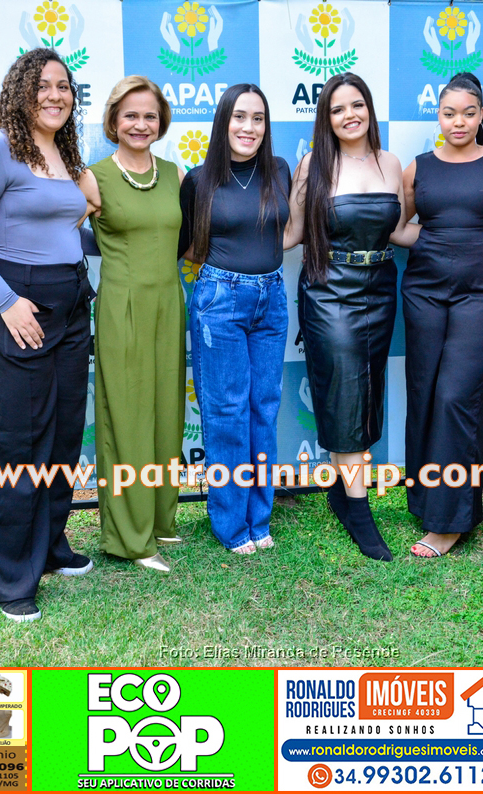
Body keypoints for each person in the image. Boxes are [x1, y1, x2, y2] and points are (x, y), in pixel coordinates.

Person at [0, 48, 95, 622]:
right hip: (16, 308)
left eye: (64, 86)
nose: (56, 95)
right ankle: (10, 576)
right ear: (21, 90)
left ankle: (50, 547)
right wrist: (7, 302)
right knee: (15, 445)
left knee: (60, 439)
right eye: (43, 85)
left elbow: (64, 223)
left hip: (69, 307)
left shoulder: (64, 152)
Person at [286, 72, 417, 562]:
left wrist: (463, 236)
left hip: (380, 290)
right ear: (327, 118)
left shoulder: (391, 163)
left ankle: (343, 495)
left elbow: (398, 231)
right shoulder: (312, 166)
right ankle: (360, 512)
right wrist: (224, 237)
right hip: (329, 293)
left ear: (369, 109)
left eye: (356, 105)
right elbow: (292, 233)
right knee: (344, 392)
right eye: (338, 109)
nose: (349, 115)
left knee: (367, 392)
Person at [401, 73, 483, 558]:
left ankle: (448, 523)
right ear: (438, 115)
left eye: (469, 113)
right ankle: (427, 501)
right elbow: (398, 226)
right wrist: (433, 240)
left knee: (456, 395)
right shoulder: (418, 169)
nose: (459, 122)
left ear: (481, 115)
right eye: (449, 113)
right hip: (425, 295)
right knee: (426, 395)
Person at [177, 84, 292, 554]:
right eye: (239, 117)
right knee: (226, 412)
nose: (249, 127)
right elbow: (185, 245)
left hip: (273, 299)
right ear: (223, 122)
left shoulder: (279, 171)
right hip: (220, 301)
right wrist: (225, 272)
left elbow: (283, 229)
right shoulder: (198, 180)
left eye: (258, 119)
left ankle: (259, 519)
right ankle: (230, 523)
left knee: (264, 407)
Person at [79, 76, 186, 573]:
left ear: (161, 122)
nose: (141, 124)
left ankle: (160, 518)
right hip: (122, 308)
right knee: (127, 418)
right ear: (113, 122)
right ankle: (130, 537)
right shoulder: (93, 177)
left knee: (165, 413)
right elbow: (56, 229)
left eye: (150, 116)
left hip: (169, 303)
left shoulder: (175, 174)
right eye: (131, 115)